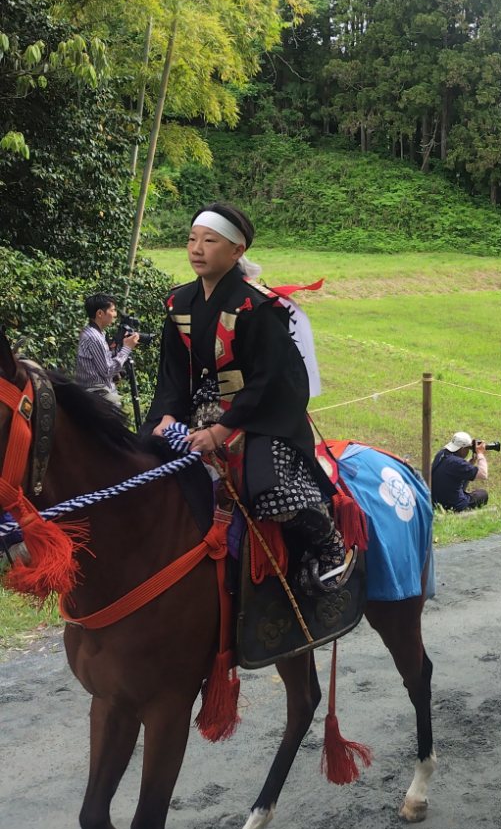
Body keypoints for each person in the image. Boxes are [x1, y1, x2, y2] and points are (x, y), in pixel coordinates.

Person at [145, 202, 346, 595]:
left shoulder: (257, 306)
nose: (196, 249)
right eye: (192, 239)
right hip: (197, 408)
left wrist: (222, 430)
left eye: (209, 241)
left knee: (272, 491)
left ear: (237, 250)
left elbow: (270, 378)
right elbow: (171, 372)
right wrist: (166, 415)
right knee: (143, 461)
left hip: (260, 413)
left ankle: (329, 544)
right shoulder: (178, 303)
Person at [75, 293, 139, 407]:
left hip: (99, 389)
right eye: (112, 310)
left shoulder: (95, 333)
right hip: (96, 391)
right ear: (100, 313)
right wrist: (127, 348)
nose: (115, 314)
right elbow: (107, 371)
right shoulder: (94, 338)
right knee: (118, 411)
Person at [430, 432, 489, 512]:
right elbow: (483, 474)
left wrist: (471, 462)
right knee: (482, 494)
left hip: (436, 502)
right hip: (454, 506)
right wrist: (480, 454)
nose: (468, 451)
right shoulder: (457, 463)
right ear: (462, 449)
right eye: (467, 448)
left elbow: (457, 470)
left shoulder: (441, 454)